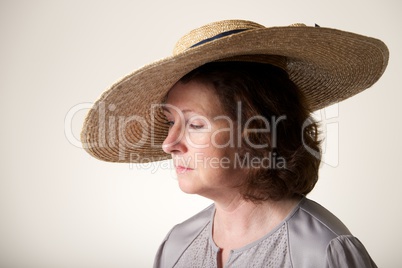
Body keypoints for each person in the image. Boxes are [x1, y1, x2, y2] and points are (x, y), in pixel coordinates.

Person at [81, 20, 389, 267]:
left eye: (195, 124)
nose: (169, 144)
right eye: (171, 122)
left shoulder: (322, 252)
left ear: (259, 131)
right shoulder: (175, 246)